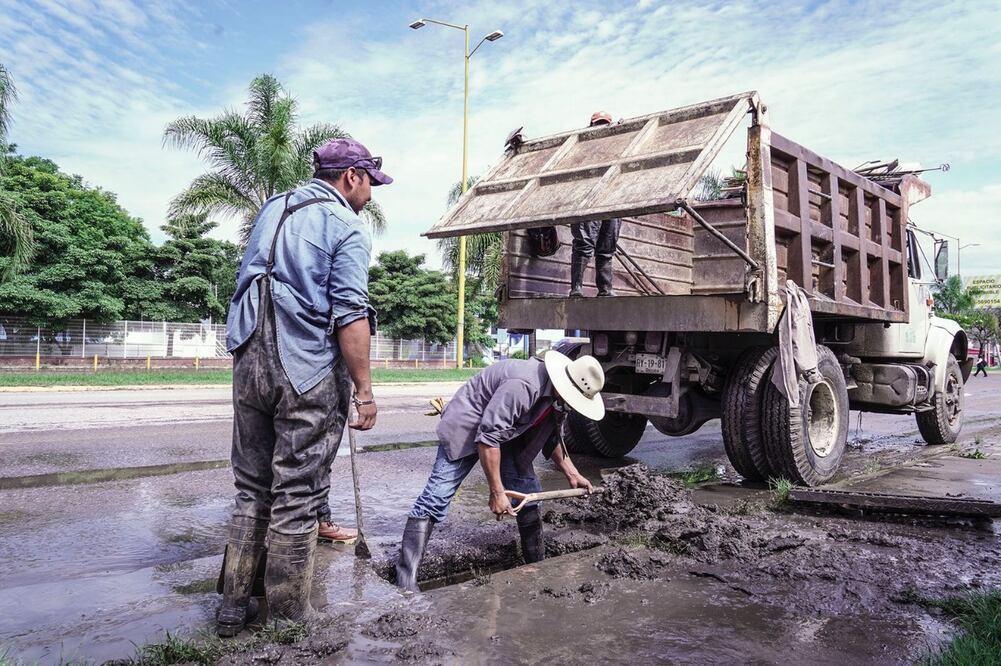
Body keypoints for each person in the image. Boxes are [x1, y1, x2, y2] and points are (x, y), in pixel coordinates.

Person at [216, 138, 391, 636]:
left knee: (251, 489)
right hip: (305, 369)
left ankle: (233, 607)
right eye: (371, 184)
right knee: (297, 493)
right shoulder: (346, 227)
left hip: (249, 360)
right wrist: (365, 391)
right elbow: (352, 314)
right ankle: (290, 618)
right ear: (352, 176)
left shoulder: (274, 207)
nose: (372, 196)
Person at [394, 349, 605, 593]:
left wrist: (572, 473)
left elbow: (551, 437)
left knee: (528, 494)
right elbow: (488, 438)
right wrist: (497, 492)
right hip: (469, 424)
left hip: (509, 432)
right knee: (437, 496)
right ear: (565, 385)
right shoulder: (524, 385)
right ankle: (405, 581)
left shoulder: (559, 400)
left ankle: (537, 566)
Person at [569, 111, 621, 298]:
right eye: (598, 124)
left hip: (611, 202)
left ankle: (605, 289)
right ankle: (576, 288)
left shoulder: (619, 145)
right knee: (583, 244)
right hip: (587, 202)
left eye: (605, 124)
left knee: (607, 248)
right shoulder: (582, 146)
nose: (601, 127)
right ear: (591, 126)